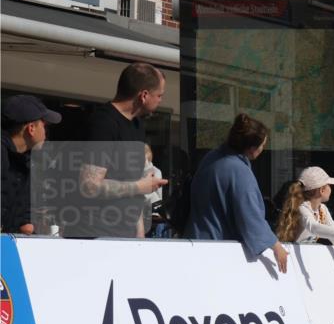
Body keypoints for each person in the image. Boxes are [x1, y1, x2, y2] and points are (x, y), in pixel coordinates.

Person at [69, 62, 169, 238]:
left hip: (125, 235)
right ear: (144, 95)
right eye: (159, 95)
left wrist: (139, 235)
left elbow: (134, 186)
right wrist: (140, 186)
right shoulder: (103, 123)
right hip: (94, 235)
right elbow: (89, 186)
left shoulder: (137, 125)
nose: (161, 100)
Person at [185, 113, 289, 274]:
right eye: (262, 145)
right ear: (252, 149)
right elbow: (250, 217)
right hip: (218, 251)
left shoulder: (211, 158)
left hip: (194, 241)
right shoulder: (239, 172)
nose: (263, 149)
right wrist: (276, 246)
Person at [1, 95, 62, 234]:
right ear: (31, 128)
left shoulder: (25, 161)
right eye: (44, 126)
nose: (46, 134)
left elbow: (23, 221)